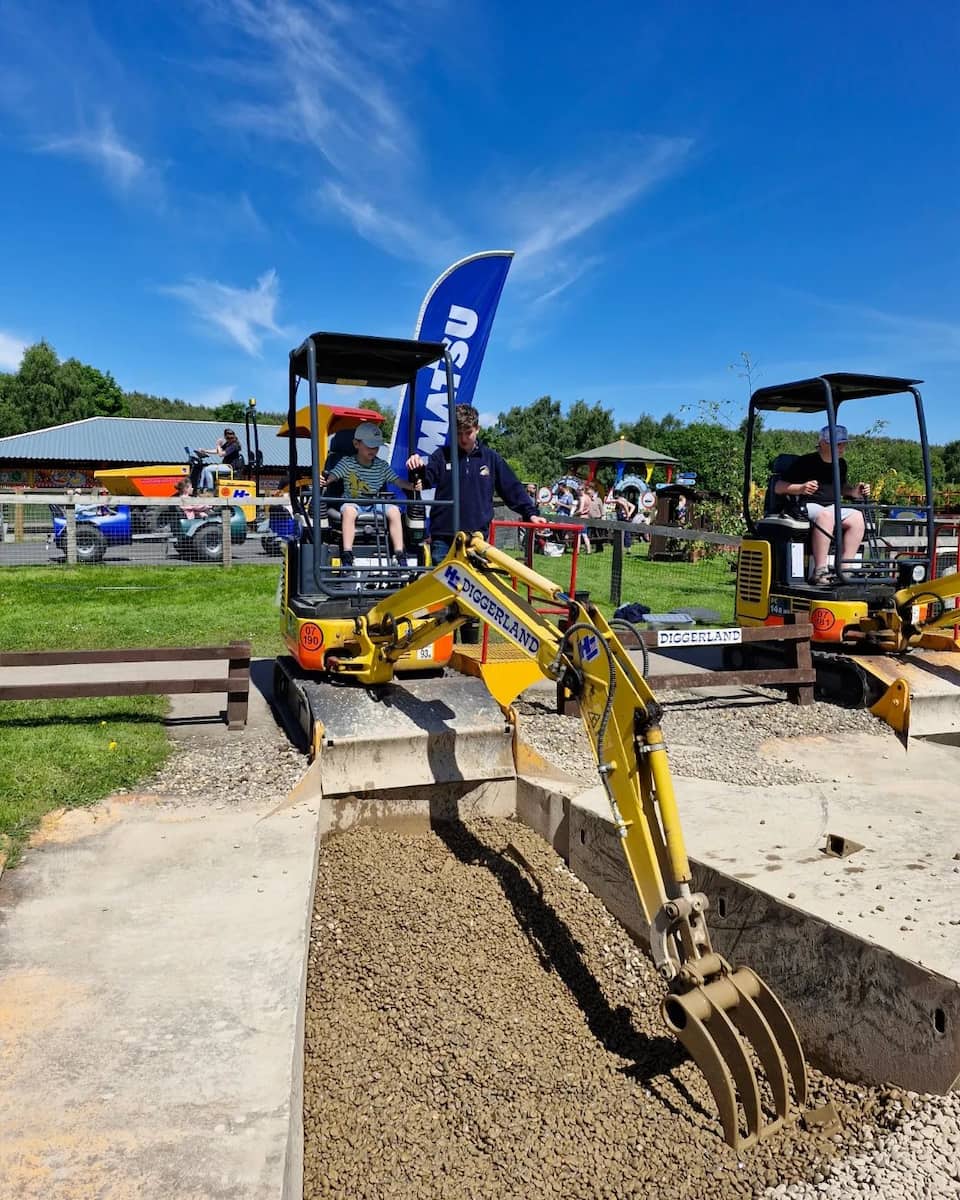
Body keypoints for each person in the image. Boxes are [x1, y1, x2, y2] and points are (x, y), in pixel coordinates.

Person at [405, 403, 546, 563]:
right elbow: (423, 481)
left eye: (468, 433)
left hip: (476, 539)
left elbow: (511, 488)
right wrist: (415, 468)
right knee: (443, 586)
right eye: (458, 433)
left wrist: (531, 513)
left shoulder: (491, 458)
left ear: (477, 428)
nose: (463, 439)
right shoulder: (441, 455)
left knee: (475, 586)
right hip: (444, 538)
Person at [775, 424, 871, 586]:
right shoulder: (805, 462)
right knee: (826, 515)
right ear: (825, 443)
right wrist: (801, 488)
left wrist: (855, 491)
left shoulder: (841, 464)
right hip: (806, 506)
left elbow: (841, 489)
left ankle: (844, 570)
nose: (843, 448)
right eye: (839, 444)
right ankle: (820, 570)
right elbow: (779, 487)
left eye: (844, 444)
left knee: (857, 517)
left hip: (832, 507)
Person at [320, 421, 419, 570]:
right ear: (356, 444)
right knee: (348, 511)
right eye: (369, 445)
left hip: (375, 502)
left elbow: (398, 481)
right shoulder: (347, 463)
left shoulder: (382, 465)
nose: (373, 450)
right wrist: (325, 480)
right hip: (352, 501)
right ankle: (347, 553)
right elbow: (333, 476)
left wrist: (412, 486)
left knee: (394, 511)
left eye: (376, 446)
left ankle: (399, 553)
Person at [198, 428, 244, 492]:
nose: (229, 439)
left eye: (230, 438)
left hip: (229, 467)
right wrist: (205, 451)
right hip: (225, 465)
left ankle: (210, 489)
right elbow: (217, 451)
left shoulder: (234, 445)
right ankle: (201, 488)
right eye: (228, 438)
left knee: (207, 469)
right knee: (204, 469)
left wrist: (218, 445)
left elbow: (221, 454)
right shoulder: (228, 444)